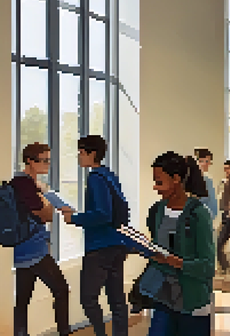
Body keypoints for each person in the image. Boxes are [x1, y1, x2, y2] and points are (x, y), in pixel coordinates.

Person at [61, 135, 129, 336]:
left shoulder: (95, 178)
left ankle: (100, 333)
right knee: (117, 300)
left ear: (92, 153)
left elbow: (103, 214)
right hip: (117, 244)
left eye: (81, 152)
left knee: (88, 299)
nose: (79, 157)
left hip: (100, 248)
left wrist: (74, 218)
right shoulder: (109, 175)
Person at [141, 152, 215, 334]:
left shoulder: (199, 214)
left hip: (192, 302)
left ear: (176, 179)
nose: (155, 187)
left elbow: (208, 266)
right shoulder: (155, 212)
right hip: (162, 298)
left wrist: (178, 262)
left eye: (159, 182)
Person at [11, 143, 71, 336]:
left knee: (22, 301)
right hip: (34, 251)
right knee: (61, 290)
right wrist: (46, 200)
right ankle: (64, 333)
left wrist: (44, 194)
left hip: (23, 252)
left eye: (48, 160)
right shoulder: (24, 184)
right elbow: (45, 215)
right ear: (30, 160)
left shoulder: (26, 183)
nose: (47, 164)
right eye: (43, 160)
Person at [216, 159, 230, 287]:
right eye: (225, 169)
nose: (226, 171)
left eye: (228, 169)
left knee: (222, 243)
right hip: (225, 216)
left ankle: (227, 268)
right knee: (220, 244)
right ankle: (226, 268)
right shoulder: (223, 183)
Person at [195, 148, 218, 221]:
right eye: (206, 161)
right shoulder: (203, 180)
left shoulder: (208, 180)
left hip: (205, 217)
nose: (208, 164)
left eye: (209, 162)